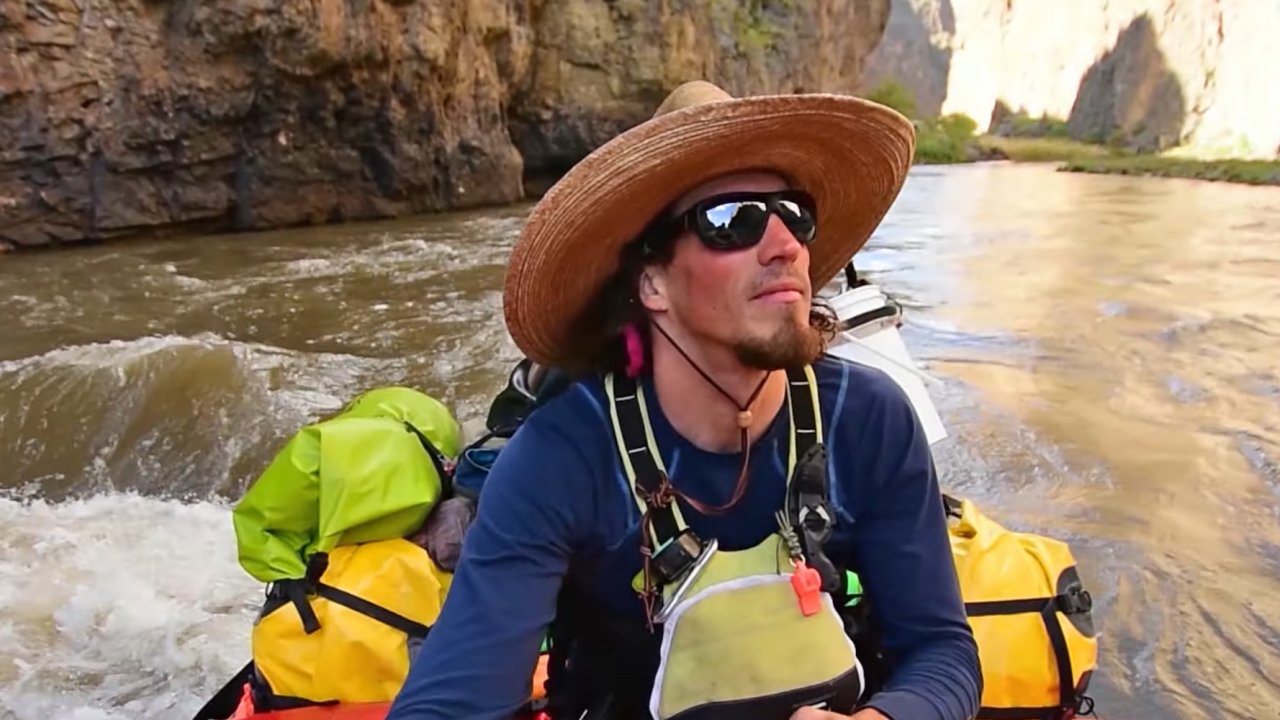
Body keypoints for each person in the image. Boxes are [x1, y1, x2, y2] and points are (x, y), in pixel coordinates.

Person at [386, 81, 981, 720]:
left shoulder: (870, 419)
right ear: (651, 283)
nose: (785, 246)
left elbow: (942, 651)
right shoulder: (561, 457)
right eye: (732, 220)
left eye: (795, 216)